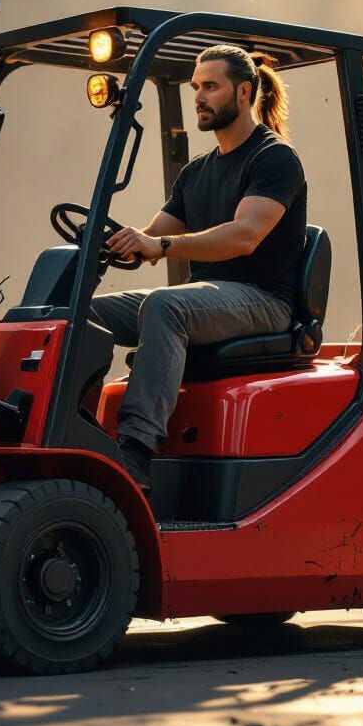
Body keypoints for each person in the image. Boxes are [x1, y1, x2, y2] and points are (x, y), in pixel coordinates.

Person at [89, 44, 307, 492]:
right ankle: (76, 433)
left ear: (244, 92)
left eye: (211, 86)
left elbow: (244, 236)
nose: (199, 97)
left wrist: (161, 244)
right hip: (211, 298)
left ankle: (135, 451)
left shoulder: (273, 158)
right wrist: (121, 243)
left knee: (166, 307)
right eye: (196, 87)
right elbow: (154, 236)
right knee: (84, 314)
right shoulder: (196, 172)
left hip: (264, 301)